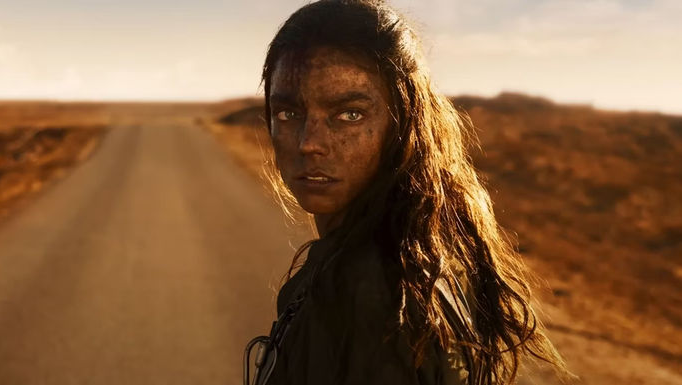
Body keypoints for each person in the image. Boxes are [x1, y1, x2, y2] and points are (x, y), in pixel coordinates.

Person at [244, 1, 569, 384]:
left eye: (349, 114)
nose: (309, 143)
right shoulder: (410, 256)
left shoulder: (377, 295)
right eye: (288, 113)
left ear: (403, 123)